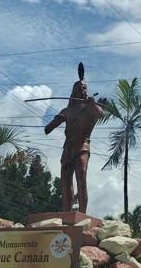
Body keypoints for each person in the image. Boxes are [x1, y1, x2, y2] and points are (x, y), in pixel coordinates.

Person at [44, 63, 106, 213]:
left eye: (85, 88)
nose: (83, 90)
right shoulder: (67, 110)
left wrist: (92, 104)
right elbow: (47, 130)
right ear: (74, 91)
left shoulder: (91, 109)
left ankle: (82, 214)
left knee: (81, 178)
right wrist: (56, 121)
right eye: (80, 88)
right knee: (65, 180)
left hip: (82, 146)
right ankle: (66, 211)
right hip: (68, 147)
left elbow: (100, 114)